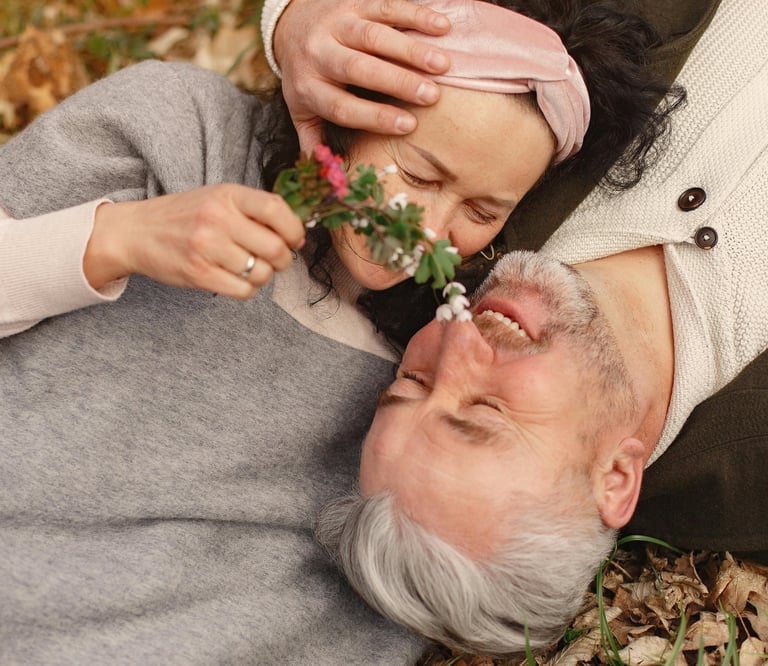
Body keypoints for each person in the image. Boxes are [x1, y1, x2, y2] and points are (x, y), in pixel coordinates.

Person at [0, 1, 677, 662]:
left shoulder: (427, 364)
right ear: (340, 115)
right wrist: (114, 240)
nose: (432, 230)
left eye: (480, 208)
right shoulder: (181, 137)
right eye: (416, 174)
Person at [311, 0, 768, 657]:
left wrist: (300, 20)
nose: (458, 339)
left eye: (411, 380)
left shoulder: (463, 197)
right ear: (614, 478)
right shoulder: (750, 476)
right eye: (485, 409)